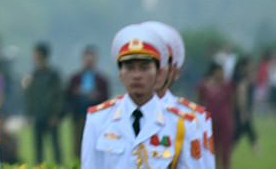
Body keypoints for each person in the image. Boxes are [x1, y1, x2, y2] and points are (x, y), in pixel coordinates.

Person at [82, 23, 204, 168]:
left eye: (144, 68)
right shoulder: (98, 120)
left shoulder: (181, 124)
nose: (137, 76)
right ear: (121, 74)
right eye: (129, 68)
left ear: (159, 74)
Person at [142, 20, 215, 167]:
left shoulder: (194, 119)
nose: (153, 72)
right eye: (143, 65)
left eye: (160, 65)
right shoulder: (108, 118)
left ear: (174, 71)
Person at [65, 45, 109, 158]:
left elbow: (106, 98)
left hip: (97, 115)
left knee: (96, 144)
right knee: (79, 145)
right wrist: (77, 93)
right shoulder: (75, 78)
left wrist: (96, 95)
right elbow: (67, 95)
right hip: (79, 114)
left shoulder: (101, 79)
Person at [24, 42, 64, 166]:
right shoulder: (34, 74)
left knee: (55, 146)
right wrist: (30, 112)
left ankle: (59, 166)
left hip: (50, 115)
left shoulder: (53, 74)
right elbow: (31, 95)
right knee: (38, 147)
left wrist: (56, 114)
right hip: (38, 114)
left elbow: (58, 95)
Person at [198, 62, 234, 168]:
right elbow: (200, 102)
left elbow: (232, 102)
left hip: (224, 121)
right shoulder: (204, 85)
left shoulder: (227, 86)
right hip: (209, 122)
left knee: (224, 150)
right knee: (209, 149)